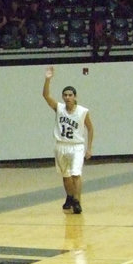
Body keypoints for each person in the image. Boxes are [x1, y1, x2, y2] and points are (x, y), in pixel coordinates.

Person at [42, 66, 93, 214]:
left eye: (70, 95)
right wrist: (47, 80)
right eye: (65, 95)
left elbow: (90, 129)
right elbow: (45, 96)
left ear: (75, 97)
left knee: (76, 174)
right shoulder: (59, 108)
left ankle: (77, 201)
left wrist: (89, 148)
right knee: (66, 176)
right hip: (61, 145)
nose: (67, 97)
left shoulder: (83, 111)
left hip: (76, 146)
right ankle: (69, 197)